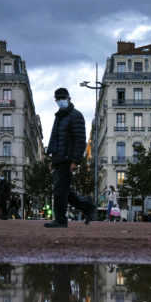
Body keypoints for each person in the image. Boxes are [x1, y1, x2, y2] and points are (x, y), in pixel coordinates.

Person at [45, 88, 95, 227]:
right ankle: (88, 206)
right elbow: (54, 137)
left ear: (69, 98)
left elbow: (80, 140)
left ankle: (61, 220)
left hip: (67, 159)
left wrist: (75, 160)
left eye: (62, 98)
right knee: (64, 190)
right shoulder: (59, 116)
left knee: (60, 191)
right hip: (59, 158)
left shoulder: (76, 115)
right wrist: (52, 159)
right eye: (58, 99)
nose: (60, 101)